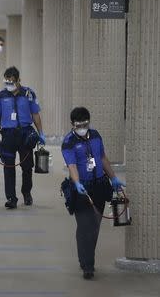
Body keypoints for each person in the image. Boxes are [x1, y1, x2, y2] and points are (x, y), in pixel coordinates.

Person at [61, 107, 125, 280]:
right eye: (79, 125)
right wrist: (76, 183)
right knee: (85, 226)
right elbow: (72, 165)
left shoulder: (96, 135)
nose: (83, 127)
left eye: (85, 124)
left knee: (94, 226)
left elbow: (102, 157)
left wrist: (114, 178)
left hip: (99, 185)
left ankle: (86, 258)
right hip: (81, 188)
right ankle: (88, 264)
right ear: (72, 125)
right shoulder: (68, 142)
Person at [0, 66, 45, 209]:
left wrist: (41, 133)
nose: (9, 84)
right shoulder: (1, 96)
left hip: (26, 133)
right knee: (8, 167)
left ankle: (26, 193)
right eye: (6, 82)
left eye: (12, 82)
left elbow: (36, 115)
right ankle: (11, 198)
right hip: (8, 134)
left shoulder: (28, 94)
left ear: (18, 80)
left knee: (27, 167)